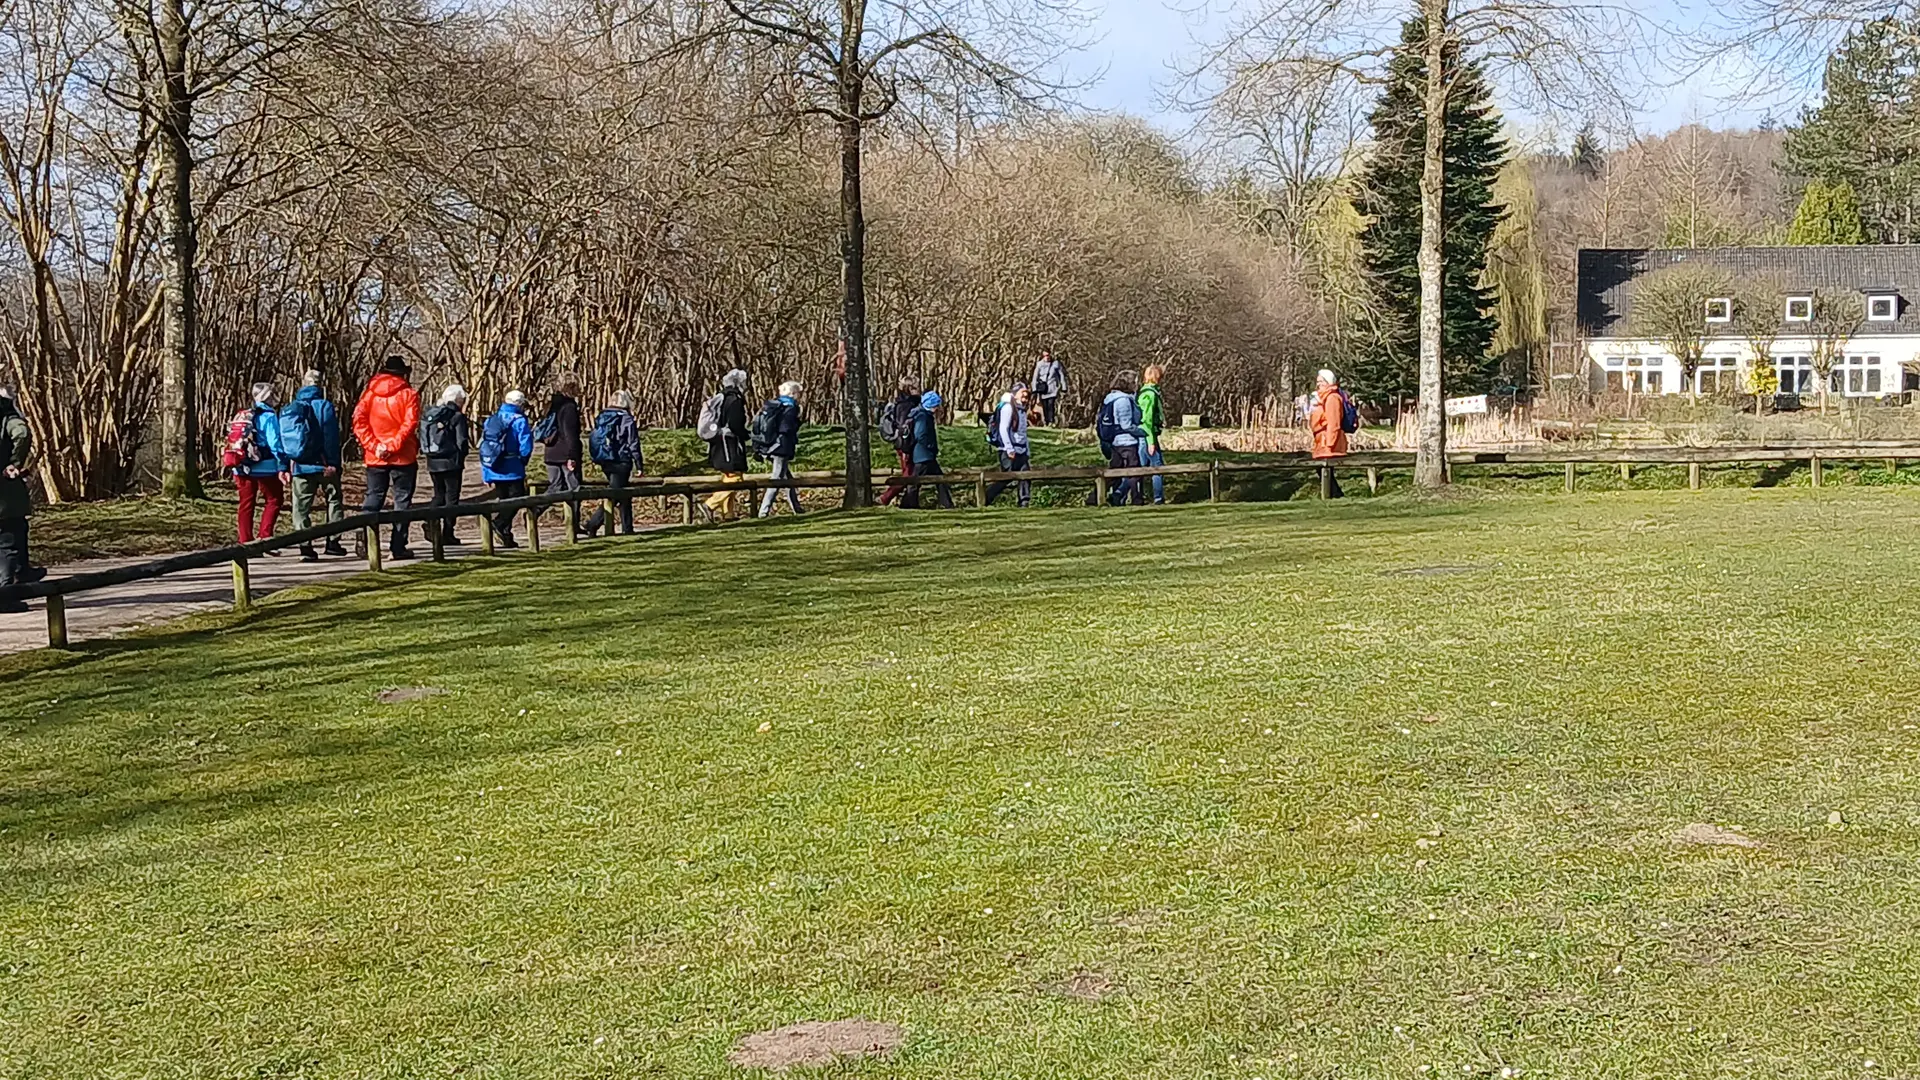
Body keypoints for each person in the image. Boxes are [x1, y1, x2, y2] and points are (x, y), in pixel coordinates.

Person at [351, 355, 422, 559]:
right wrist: (392, 446)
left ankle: (365, 533)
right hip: (403, 457)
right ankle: (398, 547)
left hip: (375, 457)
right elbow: (409, 424)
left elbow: (359, 422)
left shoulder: (369, 394)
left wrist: (374, 446)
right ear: (402, 373)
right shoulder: (409, 394)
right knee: (402, 501)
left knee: (374, 496)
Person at [283, 370, 347, 561]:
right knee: (333, 500)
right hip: (324, 464)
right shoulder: (324, 406)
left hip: (300, 465)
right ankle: (333, 542)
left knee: (301, 506)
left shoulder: (292, 407)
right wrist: (333, 463)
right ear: (320, 385)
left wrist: (285, 464)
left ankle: (305, 545)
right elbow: (330, 437)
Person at [229, 382, 287, 544]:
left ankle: (245, 540)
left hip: (241, 466)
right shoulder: (269, 416)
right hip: (265, 466)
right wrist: (282, 463)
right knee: (274, 499)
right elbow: (274, 442)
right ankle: (266, 537)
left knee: (246, 503)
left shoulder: (243, 414)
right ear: (268, 397)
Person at [479, 390, 534, 547]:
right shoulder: (519, 420)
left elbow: (486, 444)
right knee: (517, 498)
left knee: (504, 499)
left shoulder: (493, 419)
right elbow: (525, 445)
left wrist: (486, 471)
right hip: (512, 466)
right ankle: (499, 523)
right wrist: (523, 460)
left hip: (495, 465)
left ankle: (506, 535)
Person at [584, 390, 642, 536]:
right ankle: (593, 523)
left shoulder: (603, 416)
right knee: (616, 493)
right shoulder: (626, 419)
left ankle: (628, 527)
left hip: (606, 460)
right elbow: (633, 442)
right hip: (621, 460)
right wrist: (639, 463)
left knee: (623, 493)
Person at [0, 386, 37, 613]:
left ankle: (23, 571)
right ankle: (4, 596)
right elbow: (22, 434)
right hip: (4, 495)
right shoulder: (7, 418)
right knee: (7, 542)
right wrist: (14, 462)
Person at [421, 384, 472, 546]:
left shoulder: (433, 414)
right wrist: (461, 456)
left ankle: (430, 520)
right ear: (458, 400)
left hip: (433, 461)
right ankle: (448, 532)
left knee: (438, 494)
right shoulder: (457, 416)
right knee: (452, 498)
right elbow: (462, 441)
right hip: (452, 463)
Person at [701, 368, 750, 521]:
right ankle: (709, 505)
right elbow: (736, 424)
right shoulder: (734, 400)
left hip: (719, 442)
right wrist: (745, 434)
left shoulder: (722, 397)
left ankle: (728, 514)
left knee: (728, 477)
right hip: (729, 444)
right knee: (735, 478)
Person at [1093, 370, 1147, 506]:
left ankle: (1109, 498)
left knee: (1114, 472)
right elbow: (1126, 425)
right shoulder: (1123, 400)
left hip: (1115, 442)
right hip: (1127, 441)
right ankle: (1136, 499)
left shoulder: (1111, 397)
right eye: (1134, 382)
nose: (1137, 384)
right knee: (1134, 471)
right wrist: (1142, 432)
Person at [756, 381, 804, 517]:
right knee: (777, 478)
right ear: (793, 393)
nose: (799, 396)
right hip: (781, 447)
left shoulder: (775, 405)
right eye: (798, 393)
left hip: (770, 445)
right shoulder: (790, 407)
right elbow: (787, 427)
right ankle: (763, 511)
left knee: (787, 478)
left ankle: (797, 508)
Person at [902, 390, 953, 509]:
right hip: (923, 455)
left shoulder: (920, 414)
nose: (938, 408)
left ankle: (947, 503)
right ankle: (908, 504)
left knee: (938, 479)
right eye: (936, 405)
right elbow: (921, 434)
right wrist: (930, 446)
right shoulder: (923, 416)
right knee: (917, 481)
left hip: (924, 454)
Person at [984, 382, 1032, 507]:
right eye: (1022, 393)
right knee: (1007, 477)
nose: (1025, 396)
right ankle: (986, 497)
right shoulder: (1008, 408)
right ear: (1015, 394)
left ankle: (1024, 502)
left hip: (1021, 450)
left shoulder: (1022, 410)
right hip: (1008, 450)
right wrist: (1009, 449)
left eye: (1027, 394)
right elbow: (1003, 429)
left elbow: (1023, 432)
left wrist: (1027, 450)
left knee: (1025, 475)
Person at [877, 374, 921, 507]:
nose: (919, 388)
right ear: (910, 388)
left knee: (912, 473)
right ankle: (885, 497)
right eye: (916, 386)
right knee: (908, 475)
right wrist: (907, 447)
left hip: (909, 443)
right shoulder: (905, 405)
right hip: (905, 444)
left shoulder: (910, 403)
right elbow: (904, 428)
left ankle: (908, 502)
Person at [1309, 367, 1351, 499]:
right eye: (1317, 381)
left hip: (1328, 442)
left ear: (1328, 382)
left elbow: (1334, 423)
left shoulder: (1332, 398)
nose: (1318, 384)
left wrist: (1330, 443)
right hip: (1322, 441)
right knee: (1321, 469)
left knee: (1324, 468)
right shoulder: (1323, 398)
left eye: (1321, 381)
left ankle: (1335, 495)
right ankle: (1334, 495)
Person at [1138, 364, 1169, 505]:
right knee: (1157, 466)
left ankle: (1130, 494)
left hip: (1146, 435)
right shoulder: (1150, 395)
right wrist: (1151, 441)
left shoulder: (1145, 392)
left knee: (1140, 468)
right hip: (1148, 436)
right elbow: (1147, 420)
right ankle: (1158, 497)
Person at [1031, 349, 1067, 426]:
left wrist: (1064, 387)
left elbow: (1061, 375)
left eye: (1048, 355)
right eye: (1045, 356)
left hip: (1053, 388)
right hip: (1043, 389)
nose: (1047, 357)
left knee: (1051, 405)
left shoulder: (1055, 364)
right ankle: (1047, 421)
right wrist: (1034, 389)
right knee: (1045, 406)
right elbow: (1035, 377)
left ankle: (1051, 421)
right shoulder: (1039, 364)